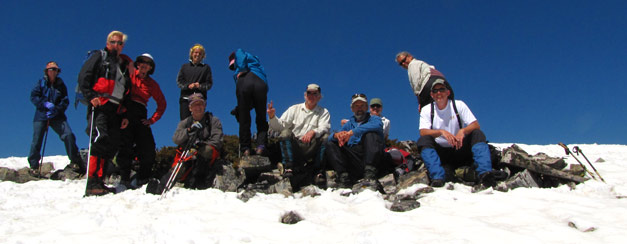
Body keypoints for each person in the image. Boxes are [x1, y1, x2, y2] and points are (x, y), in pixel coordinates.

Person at [417, 80, 505, 187]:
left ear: (448, 92)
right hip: (442, 154)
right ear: (431, 94)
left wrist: (463, 131)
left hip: (460, 149)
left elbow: (475, 125)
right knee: (424, 140)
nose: (438, 93)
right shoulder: (427, 110)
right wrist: (441, 132)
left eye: (441, 89)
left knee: (477, 134)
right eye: (435, 91)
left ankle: (485, 174)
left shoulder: (458, 105)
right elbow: (423, 132)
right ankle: (437, 178)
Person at [78, 30, 133, 196]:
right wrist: (91, 96)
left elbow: (126, 91)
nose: (116, 45)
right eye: (113, 42)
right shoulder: (98, 57)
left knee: (113, 143)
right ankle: (92, 182)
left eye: (120, 43)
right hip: (100, 104)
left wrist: (125, 115)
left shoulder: (123, 64)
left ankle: (100, 181)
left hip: (116, 109)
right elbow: (83, 77)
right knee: (100, 138)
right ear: (108, 43)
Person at [149, 93, 223, 193]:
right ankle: (159, 190)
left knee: (206, 151)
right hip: (188, 154)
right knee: (178, 169)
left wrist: (200, 146)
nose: (198, 107)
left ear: (204, 105)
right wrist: (188, 131)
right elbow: (176, 139)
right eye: (194, 105)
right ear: (190, 108)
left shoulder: (213, 121)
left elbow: (217, 140)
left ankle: (199, 183)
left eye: (200, 104)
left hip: (206, 155)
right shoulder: (185, 123)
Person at [117, 53, 167, 189]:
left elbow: (162, 103)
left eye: (148, 63)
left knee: (148, 147)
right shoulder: (130, 73)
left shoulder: (152, 84)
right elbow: (122, 57)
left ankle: (142, 178)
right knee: (124, 145)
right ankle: (124, 178)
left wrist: (152, 120)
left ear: (151, 68)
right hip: (126, 111)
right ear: (137, 64)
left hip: (141, 114)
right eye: (142, 62)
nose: (145, 65)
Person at [267, 84, 331, 188]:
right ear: (305, 95)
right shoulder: (294, 109)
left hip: (311, 147)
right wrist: (272, 117)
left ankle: (318, 171)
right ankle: (288, 167)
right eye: (309, 93)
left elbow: (325, 128)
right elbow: (280, 126)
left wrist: (313, 132)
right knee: (285, 133)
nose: (312, 95)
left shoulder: (324, 112)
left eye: (315, 93)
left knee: (325, 137)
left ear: (319, 97)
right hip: (296, 146)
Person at [28, 61, 85, 175]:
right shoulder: (41, 83)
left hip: (57, 116)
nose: (53, 71)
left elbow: (65, 101)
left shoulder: (61, 85)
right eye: (51, 69)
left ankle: (75, 161)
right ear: (47, 71)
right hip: (41, 115)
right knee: (37, 140)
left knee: (68, 135)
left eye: (55, 69)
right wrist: (44, 104)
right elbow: (34, 96)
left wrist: (56, 109)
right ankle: (34, 166)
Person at [325, 94, 384, 187]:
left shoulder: (374, 119)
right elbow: (331, 137)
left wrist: (352, 132)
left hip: (370, 156)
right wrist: (337, 135)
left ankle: (370, 174)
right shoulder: (349, 124)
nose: (359, 108)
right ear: (352, 108)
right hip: (354, 158)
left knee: (371, 134)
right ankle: (344, 177)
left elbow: (377, 126)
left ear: (366, 107)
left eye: (362, 105)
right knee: (330, 143)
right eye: (356, 106)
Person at [228, 48, 268, 156]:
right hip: (261, 84)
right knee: (261, 117)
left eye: (233, 65)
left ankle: (245, 148)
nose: (234, 68)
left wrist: (242, 69)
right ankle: (261, 146)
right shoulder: (256, 64)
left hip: (245, 81)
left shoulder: (240, 57)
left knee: (244, 117)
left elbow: (239, 51)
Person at [176, 44, 213, 120]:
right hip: (185, 99)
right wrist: (188, 86)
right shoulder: (184, 67)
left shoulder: (206, 68)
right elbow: (179, 81)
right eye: (196, 52)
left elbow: (209, 84)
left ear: (203, 56)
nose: (197, 55)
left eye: (200, 53)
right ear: (192, 54)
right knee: (185, 123)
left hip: (199, 99)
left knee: (198, 123)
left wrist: (199, 86)